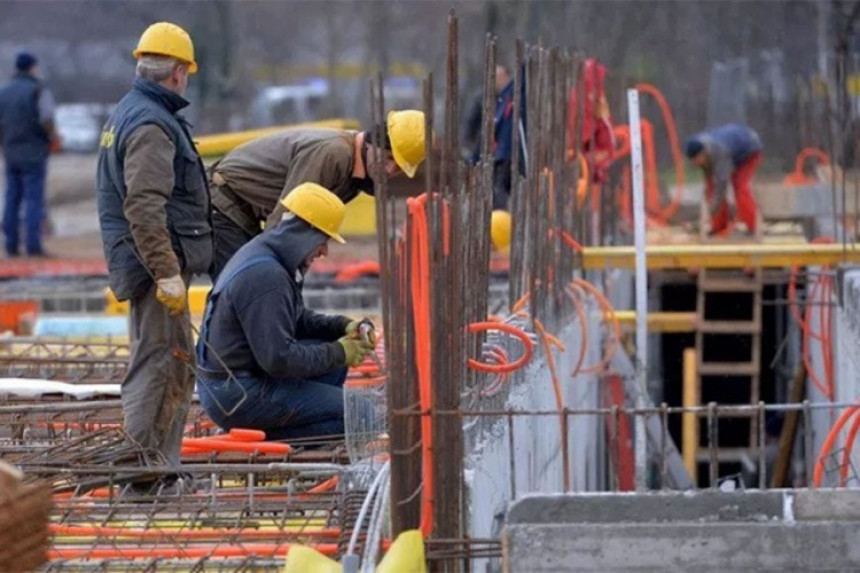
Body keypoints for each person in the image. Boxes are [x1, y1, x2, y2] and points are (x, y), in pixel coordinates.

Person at [96, 22, 211, 493]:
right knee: (159, 365)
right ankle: (142, 478)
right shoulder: (150, 123)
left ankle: (157, 470)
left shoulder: (134, 111)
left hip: (144, 261)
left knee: (173, 362)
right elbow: (143, 206)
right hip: (152, 266)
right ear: (179, 72)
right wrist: (165, 273)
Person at [196, 182, 375, 440]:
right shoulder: (267, 277)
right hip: (236, 395)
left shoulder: (268, 256)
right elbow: (278, 359)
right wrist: (338, 351)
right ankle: (265, 434)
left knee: (333, 362)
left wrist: (341, 326)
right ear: (306, 233)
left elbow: (296, 319)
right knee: (362, 414)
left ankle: (290, 418)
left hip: (234, 384)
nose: (324, 251)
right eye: (323, 240)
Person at [208, 110, 426, 279]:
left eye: (398, 167)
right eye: (387, 158)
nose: (389, 171)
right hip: (225, 203)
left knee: (257, 287)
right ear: (371, 142)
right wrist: (283, 278)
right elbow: (286, 219)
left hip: (245, 211)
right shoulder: (335, 154)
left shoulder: (355, 173)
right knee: (248, 288)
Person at [0, 52, 59, 257]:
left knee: (11, 198)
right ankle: (33, 245)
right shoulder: (38, 90)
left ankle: (10, 245)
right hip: (34, 153)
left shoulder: (3, 92)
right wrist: (53, 139)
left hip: (10, 152)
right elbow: (47, 119)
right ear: (33, 67)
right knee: (33, 199)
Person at [685, 123, 762, 236]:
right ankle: (718, 227)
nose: (695, 164)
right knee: (711, 189)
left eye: (696, 161)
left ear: (702, 154)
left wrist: (710, 212)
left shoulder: (720, 154)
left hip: (749, 149)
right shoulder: (700, 147)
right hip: (730, 149)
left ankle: (753, 227)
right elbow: (711, 185)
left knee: (740, 186)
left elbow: (721, 186)